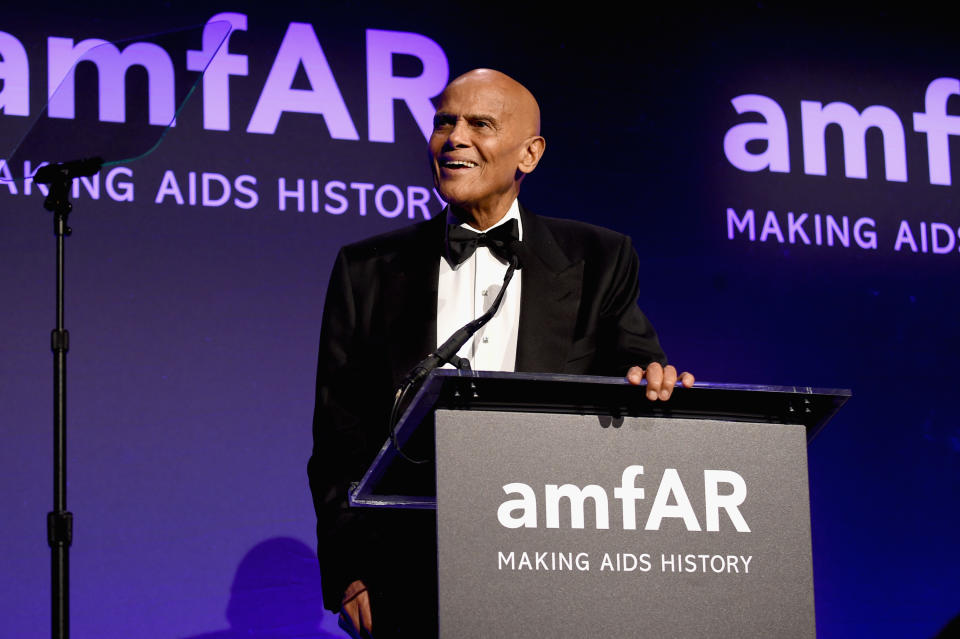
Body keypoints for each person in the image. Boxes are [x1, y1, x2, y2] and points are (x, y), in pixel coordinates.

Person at [308, 68, 694, 638]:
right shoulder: (366, 270)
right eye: (445, 122)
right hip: (409, 573)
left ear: (529, 154)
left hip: (558, 562)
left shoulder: (599, 258)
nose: (454, 138)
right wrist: (349, 569)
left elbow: (634, 362)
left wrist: (651, 379)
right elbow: (338, 437)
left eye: (479, 124)